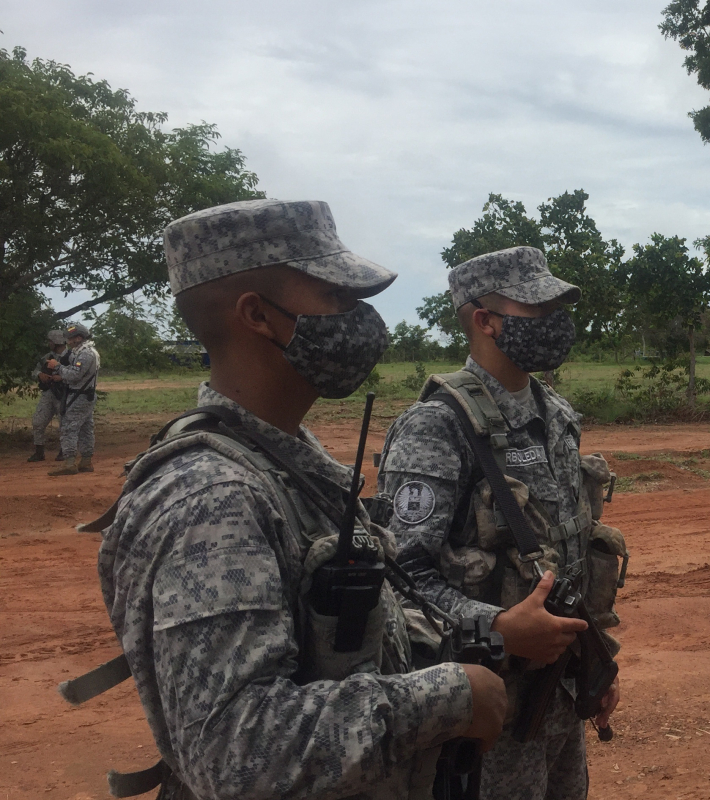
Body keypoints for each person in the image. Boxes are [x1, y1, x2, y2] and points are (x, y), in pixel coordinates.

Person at [93, 198, 508, 799]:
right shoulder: (212, 498)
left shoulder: (285, 464)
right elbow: (234, 749)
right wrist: (447, 698)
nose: (359, 317)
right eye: (336, 298)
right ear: (258, 315)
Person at [376, 246, 625, 800]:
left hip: (558, 693)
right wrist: (496, 627)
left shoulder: (556, 417)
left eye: (559, 308)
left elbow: (572, 557)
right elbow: (399, 575)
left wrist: (596, 664)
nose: (557, 324)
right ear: (486, 320)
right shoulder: (435, 427)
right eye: (539, 310)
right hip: (482, 700)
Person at [47, 321, 100, 475]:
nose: (68, 341)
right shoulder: (84, 351)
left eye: (70, 338)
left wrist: (57, 367)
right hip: (85, 395)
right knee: (85, 428)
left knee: (69, 427)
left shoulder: (85, 354)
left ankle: (69, 462)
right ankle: (85, 461)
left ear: (78, 338)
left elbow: (74, 375)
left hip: (79, 395)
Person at [28, 329, 68, 462]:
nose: (49, 343)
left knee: (64, 424)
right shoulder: (46, 357)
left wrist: (61, 378)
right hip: (48, 393)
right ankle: (39, 452)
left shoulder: (72, 356)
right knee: (38, 422)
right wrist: (40, 375)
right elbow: (35, 370)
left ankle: (64, 451)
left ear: (56, 342)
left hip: (64, 394)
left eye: (50, 341)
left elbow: (77, 374)